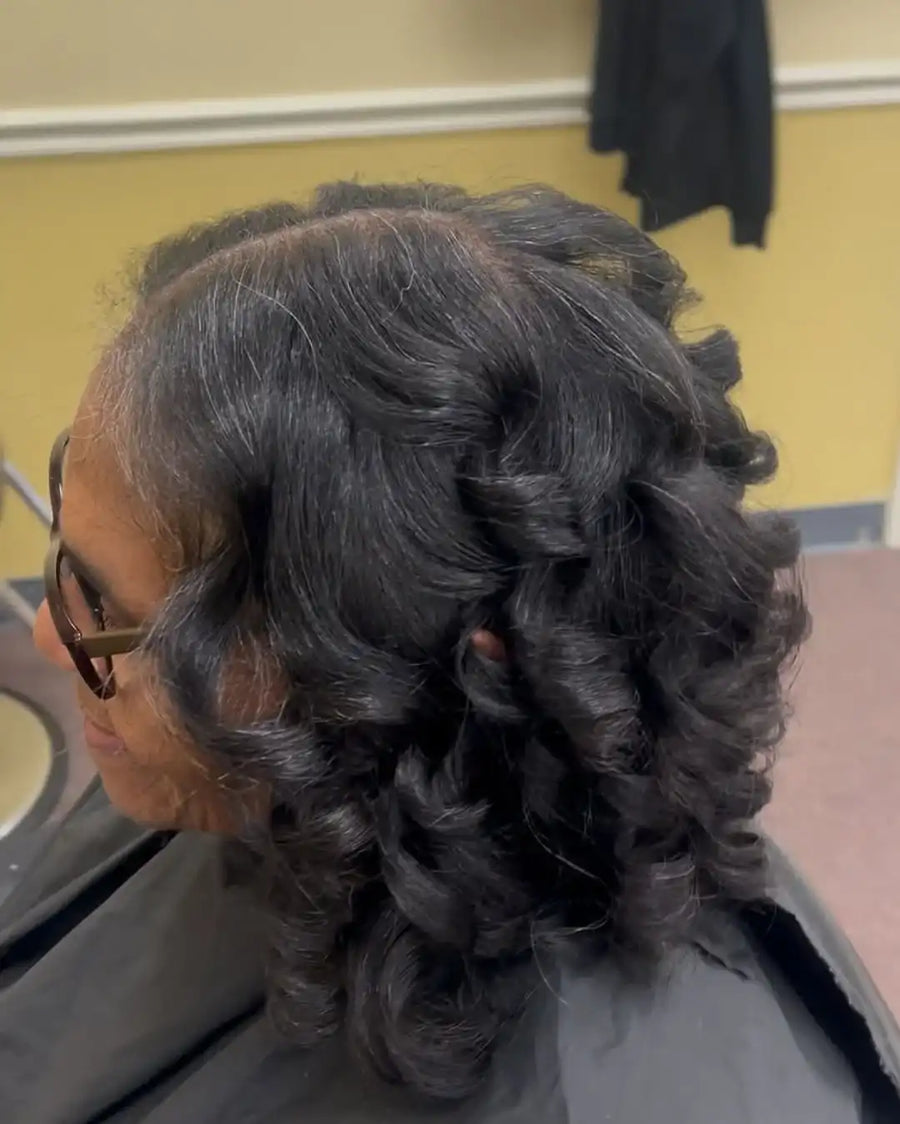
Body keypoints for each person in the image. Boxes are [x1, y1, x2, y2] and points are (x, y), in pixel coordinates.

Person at [2, 182, 898, 1122]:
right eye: (67, 564)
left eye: (102, 605)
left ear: (410, 672)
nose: (44, 641)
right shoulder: (242, 770)